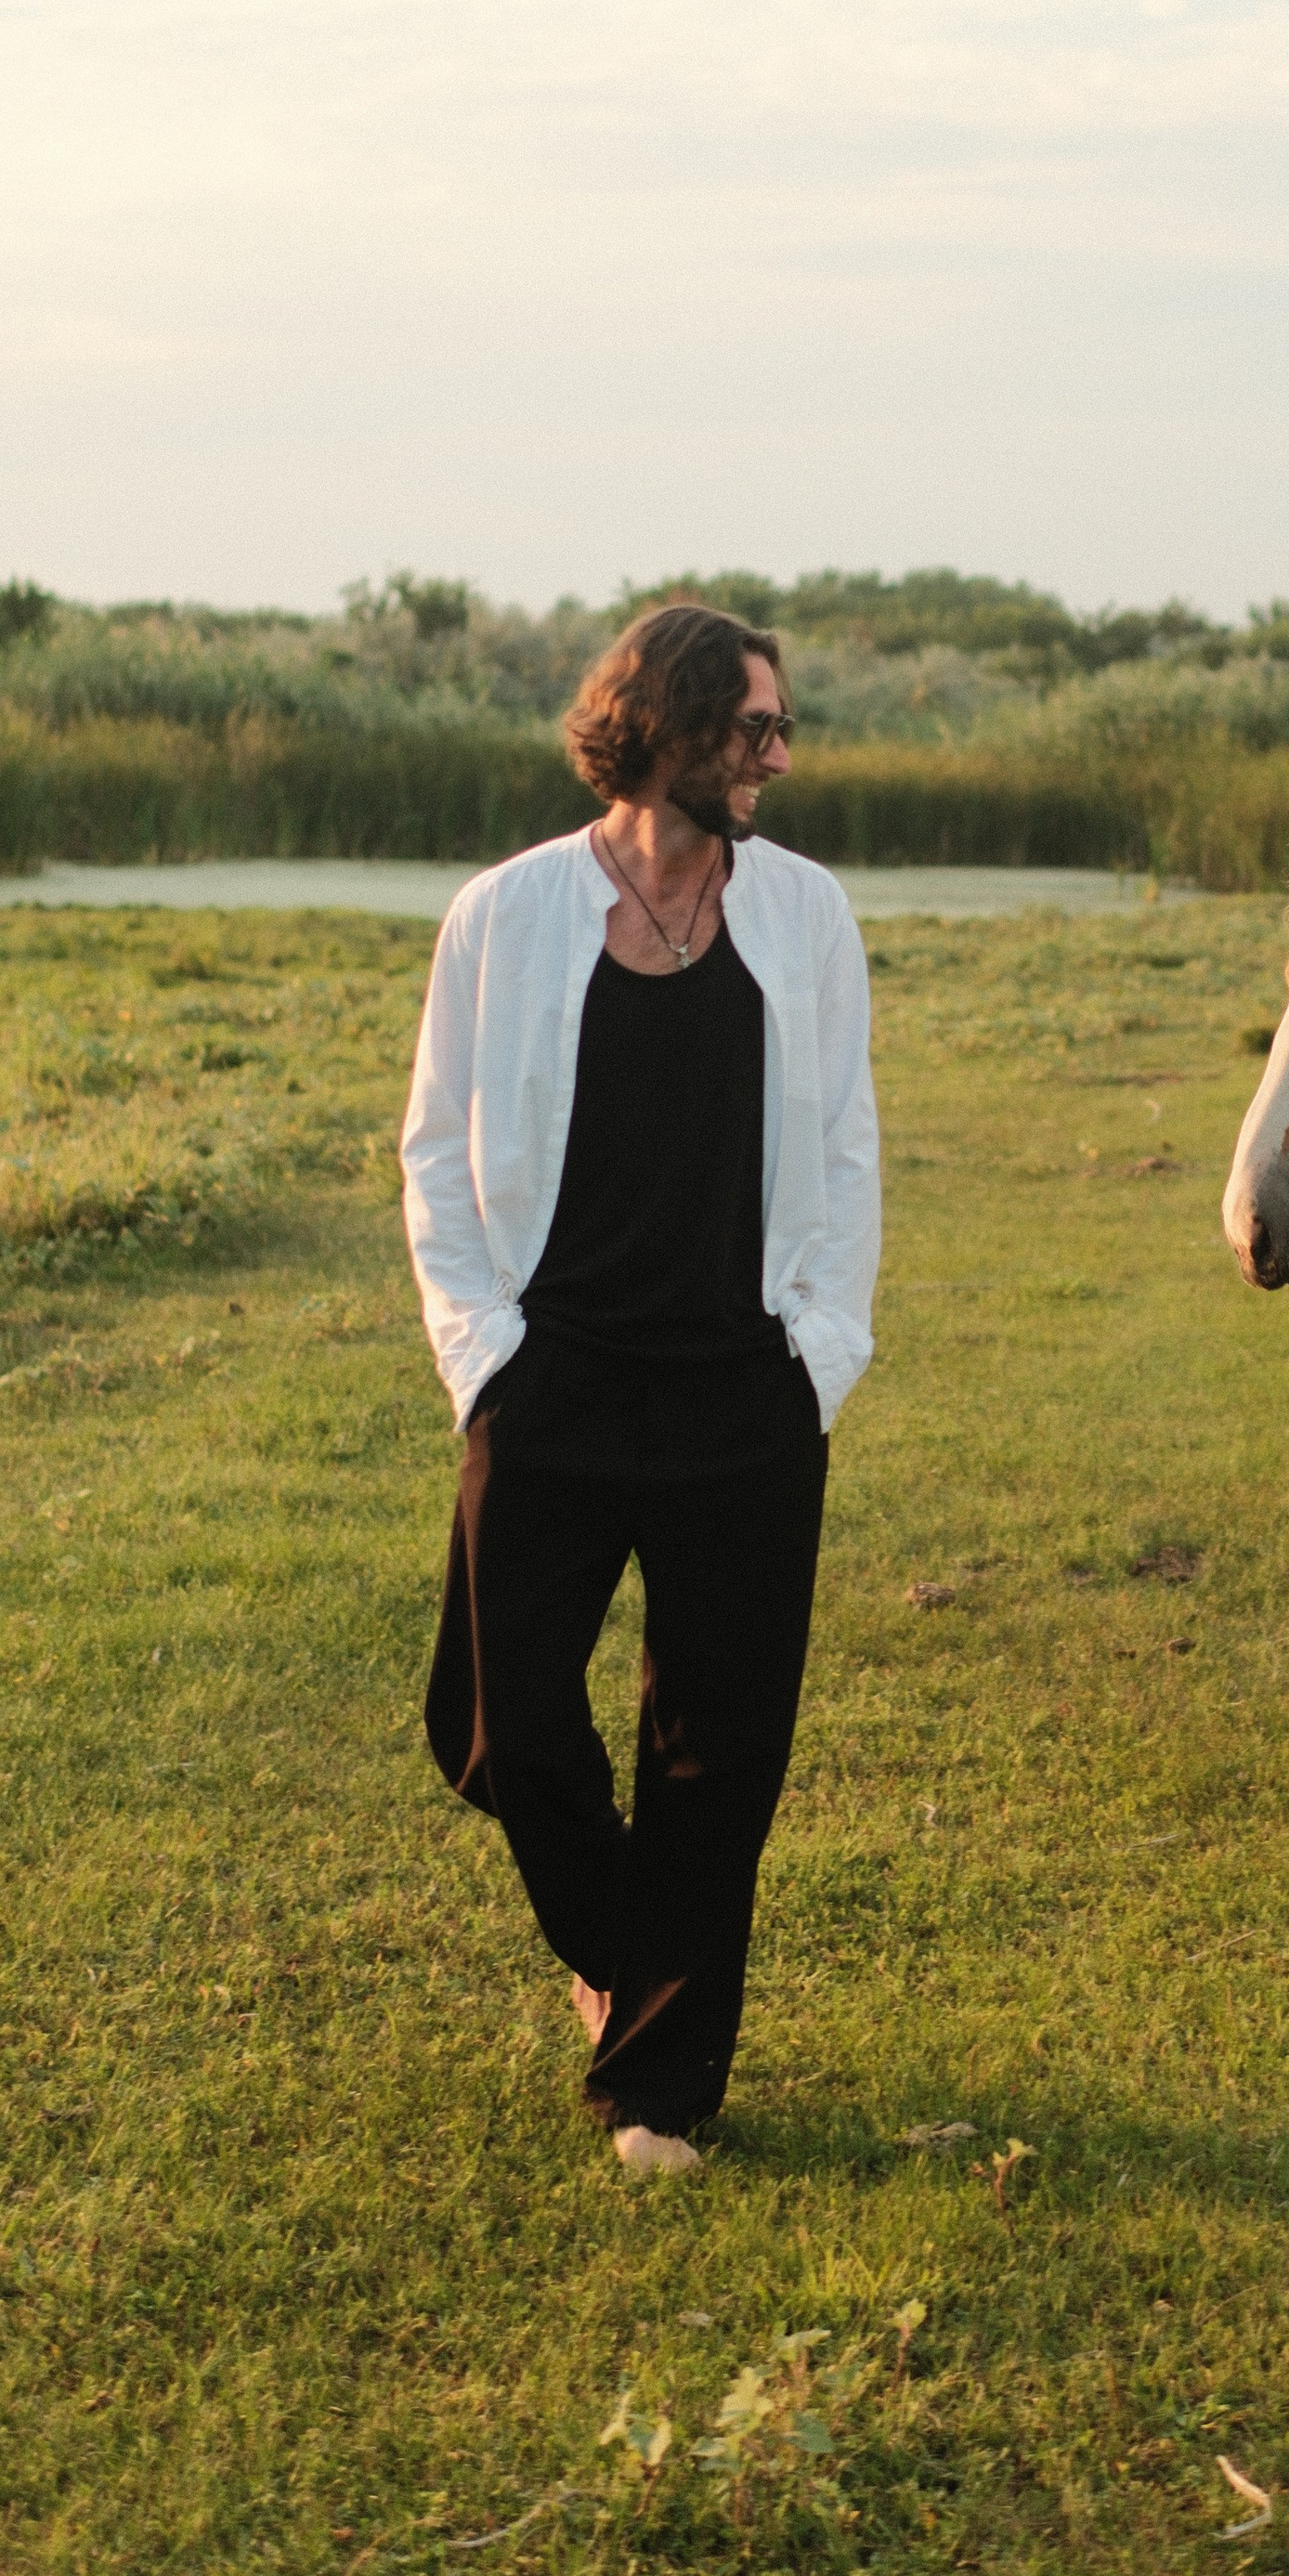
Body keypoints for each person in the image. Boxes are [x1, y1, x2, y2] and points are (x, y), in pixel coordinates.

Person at [400, 602, 879, 2177]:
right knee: (493, 1716)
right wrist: (487, 1357)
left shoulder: (805, 915)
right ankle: (630, 1952)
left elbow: (848, 1148)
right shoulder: (508, 913)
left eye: (781, 727)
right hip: (558, 1384)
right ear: (659, 725)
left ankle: (658, 2090)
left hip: (745, 1394)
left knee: (715, 1748)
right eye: (752, 728)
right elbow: (436, 1146)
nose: (776, 756)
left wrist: (819, 1354)